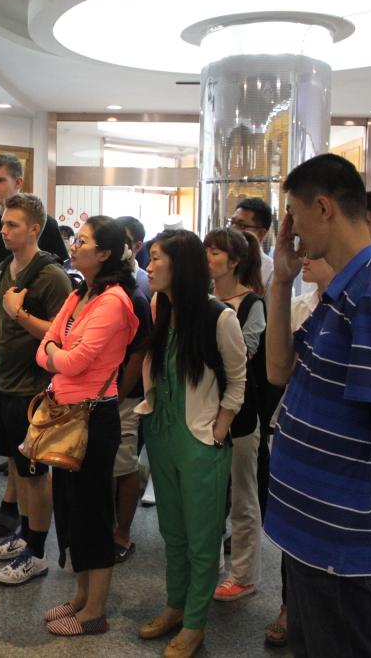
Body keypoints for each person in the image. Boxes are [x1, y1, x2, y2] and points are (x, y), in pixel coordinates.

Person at [265, 154, 371, 658]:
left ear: (324, 208)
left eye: (294, 213)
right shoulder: (346, 287)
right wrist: (281, 281)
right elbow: (279, 370)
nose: (291, 229)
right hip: (311, 521)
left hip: (338, 529)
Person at [136, 230, 246, 658]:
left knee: (202, 539)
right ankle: (175, 606)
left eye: (155, 258)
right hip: (162, 434)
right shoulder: (161, 307)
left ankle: (195, 624)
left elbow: (237, 379)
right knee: (173, 532)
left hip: (200, 440)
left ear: (179, 265)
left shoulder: (220, 317)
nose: (148, 266)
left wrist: (221, 427)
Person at [0, 153, 69, 534]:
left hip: (31, 365)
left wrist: (19, 316)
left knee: (28, 457)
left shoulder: (48, 258)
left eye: (0, 180)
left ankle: (22, 521)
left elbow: (59, 330)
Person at [35, 215, 138, 636]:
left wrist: (57, 354)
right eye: (75, 240)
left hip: (94, 416)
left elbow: (74, 361)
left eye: (83, 241)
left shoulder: (114, 301)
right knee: (71, 508)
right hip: (65, 412)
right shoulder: (80, 292)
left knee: (93, 511)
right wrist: (57, 353)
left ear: (105, 253)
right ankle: (80, 597)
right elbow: (45, 346)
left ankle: (95, 611)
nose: (74, 246)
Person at [0, 194, 72, 587]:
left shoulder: (52, 276)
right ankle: (26, 535)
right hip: (5, 384)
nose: (3, 230)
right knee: (18, 467)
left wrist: (21, 313)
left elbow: (63, 337)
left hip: (34, 390)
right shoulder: (4, 267)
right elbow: (0, 324)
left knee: (35, 473)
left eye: (12, 225)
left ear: (34, 229)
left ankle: (37, 552)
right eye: (3, 223)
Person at [261, 255, 335, 648]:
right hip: (295, 425)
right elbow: (277, 370)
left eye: (315, 252)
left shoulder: (363, 303)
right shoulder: (298, 305)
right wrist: (280, 284)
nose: (305, 257)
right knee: (295, 530)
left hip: (335, 438)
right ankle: (290, 607)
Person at [201, 227, 265, 607]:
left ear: (235, 261)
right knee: (209, 496)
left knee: (243, 496)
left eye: (216, 252)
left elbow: (245, 353)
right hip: (204, 410)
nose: (208, 258)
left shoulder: (252, 303)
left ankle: (243, 575)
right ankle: (211, 564)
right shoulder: (201, 299)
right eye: (206, 250)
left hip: (240, 413)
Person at [111, 234, 152, 564]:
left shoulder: (135, 297)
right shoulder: (93, 292)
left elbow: (138, 357)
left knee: (124, 468)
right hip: (99, 394)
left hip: (123, 397)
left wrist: (118, 395)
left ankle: (122, 534)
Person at [229, 197, 274, 294]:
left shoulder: (271, 271)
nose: (232, 230)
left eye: (242, 226)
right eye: (232, 223)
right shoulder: (223, 261)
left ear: (261, 233)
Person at [116, 216, 152, 300]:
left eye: (123, 240)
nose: (116, 245)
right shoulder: (100, 276)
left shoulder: (148, 284)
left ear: (138, 246)